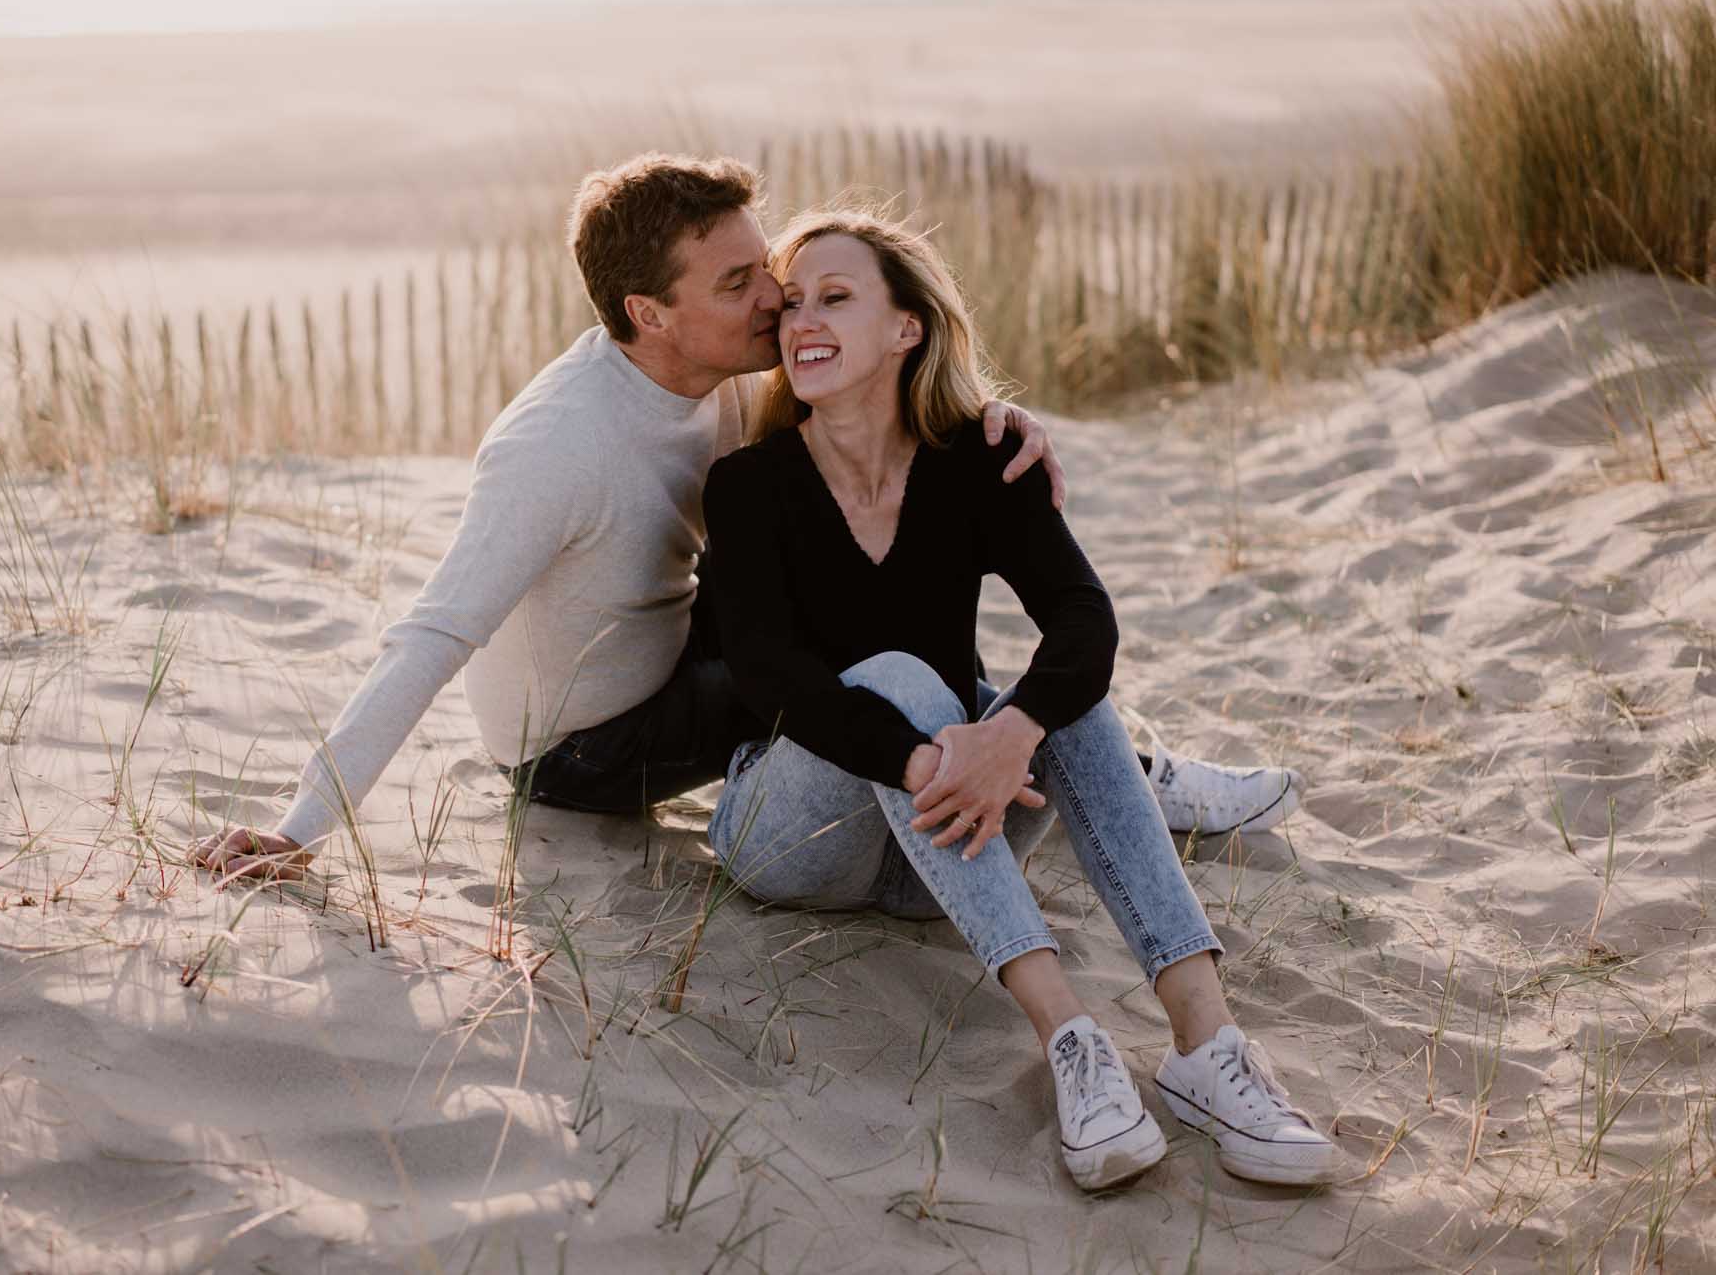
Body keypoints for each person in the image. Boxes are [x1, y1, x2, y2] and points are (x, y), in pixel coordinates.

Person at [192, 153, 1299, 890]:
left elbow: (874, 423)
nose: (776, 302)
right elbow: (430, 635)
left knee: (865, 572)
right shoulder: (555, 449)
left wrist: (985, 420)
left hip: (687, 645)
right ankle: (1082, 770)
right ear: (648, 313)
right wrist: (300, 824)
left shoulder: (727, 367)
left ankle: (1085, 759)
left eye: (764, 269)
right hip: (583, 747)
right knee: (865, 653)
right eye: (739, 284)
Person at [697, 207, 1338, 1191]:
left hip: (936, 857)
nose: (799, 323)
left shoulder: (979, 462)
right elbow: (766, 672)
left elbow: (1083, 623)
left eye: (834, 297)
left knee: (1059, 696)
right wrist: (935, 756)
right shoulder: (748, 484)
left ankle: (1205, 1046)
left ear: (905, 327)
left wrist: (1010, 732)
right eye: (790, 307)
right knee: (905, 677)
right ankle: (1069, 1039)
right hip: (787, 833)